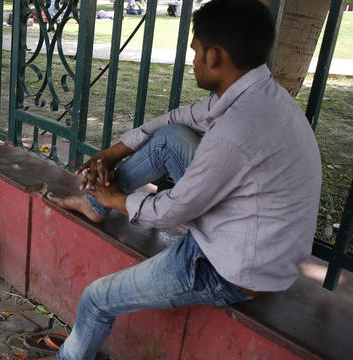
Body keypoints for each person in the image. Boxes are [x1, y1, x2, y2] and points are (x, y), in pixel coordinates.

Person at [28, 0, 321, 359]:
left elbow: (171, 212)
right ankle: (93, 204)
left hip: (230, 268)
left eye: (195, 51)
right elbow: (176, 118)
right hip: (249, 234)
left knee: (96, 299)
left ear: (215, 56)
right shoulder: (259, 95)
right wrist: (111, 154)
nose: (193, 60)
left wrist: (115, 199)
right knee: (172, 135)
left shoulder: (235, 130)